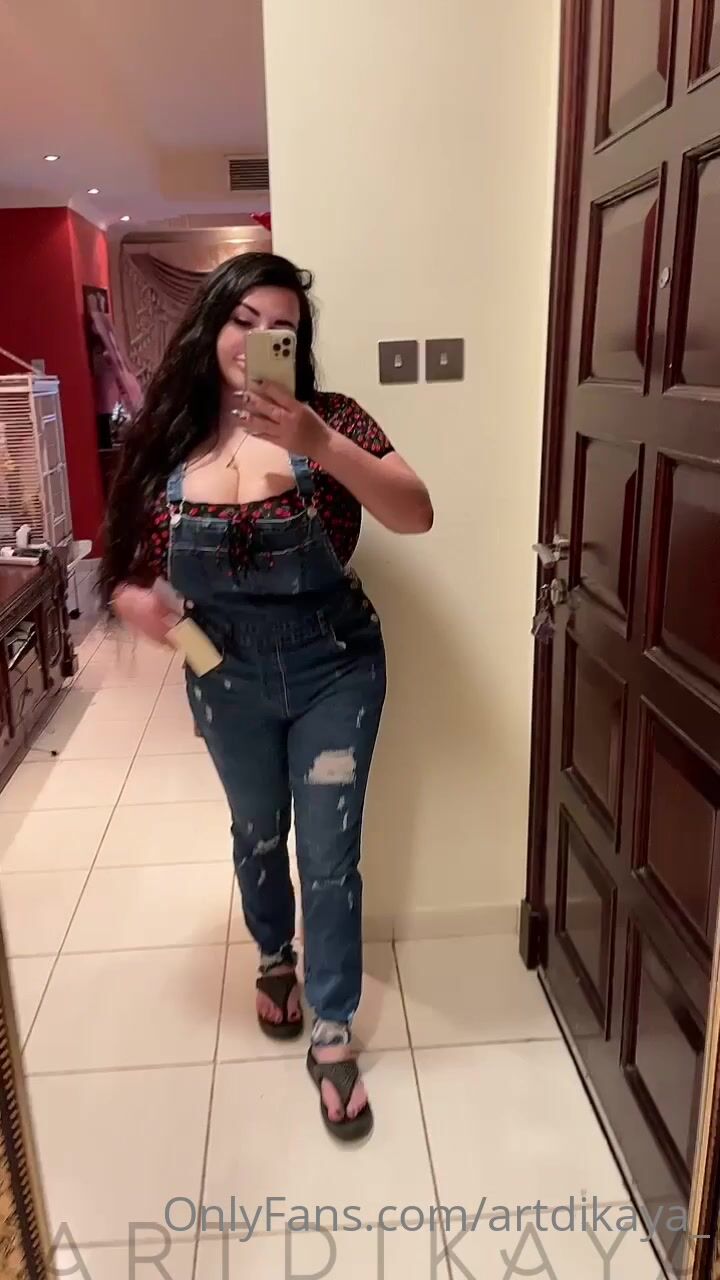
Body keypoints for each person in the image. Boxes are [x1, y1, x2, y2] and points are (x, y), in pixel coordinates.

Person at [99, 252, 433, 1141]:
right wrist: (145, 609)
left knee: (328, 852)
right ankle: (274, 954)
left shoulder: (334, 420)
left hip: (336, 667)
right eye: (242, 321)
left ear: (300, 342)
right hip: (222, 672)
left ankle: (332, 1027)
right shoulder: (168, 436)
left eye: (280, 327)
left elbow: (415, 512)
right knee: (256, 830)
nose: (257, 341)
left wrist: (320, 446)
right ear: (211, 325)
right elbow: (122, 565)